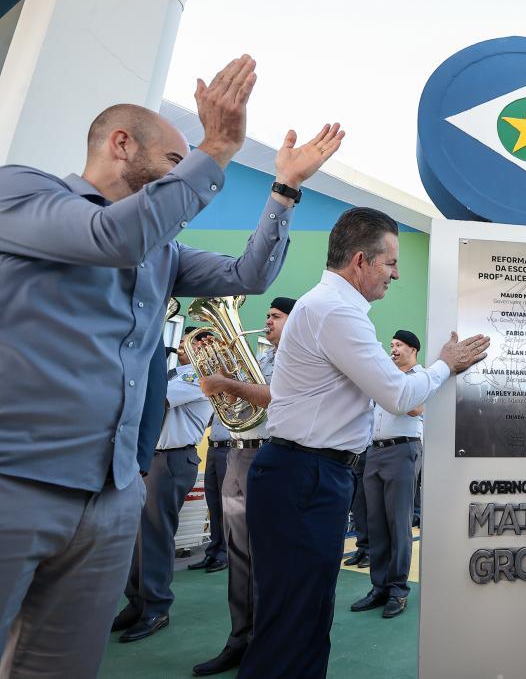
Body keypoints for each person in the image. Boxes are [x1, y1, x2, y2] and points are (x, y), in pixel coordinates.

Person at [0, 53, 343, 676]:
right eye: (174, 162)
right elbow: (111, 237)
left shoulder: (162, 250)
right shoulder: (22, 191)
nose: (186, 177)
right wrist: (216, 148)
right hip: (15, 481)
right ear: (121, 144)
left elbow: (250, 275)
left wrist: (285, 191)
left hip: (110, 496)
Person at [238, 207, 489, 679]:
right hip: (306, 476)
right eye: (390, 262)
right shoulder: (336, 312)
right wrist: (445, 364)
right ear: (360, 261)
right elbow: (398, 394)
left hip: (307, 473)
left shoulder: (329, 307)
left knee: (305, 614)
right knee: (293, 619)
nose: (396, 273)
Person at [191, 296, 295, 676]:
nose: (267, 321)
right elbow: (232, 398)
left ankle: (266, 643)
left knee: (265, 557)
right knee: (238, 554)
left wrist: (226, 381)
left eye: (276, 316)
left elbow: (274, 399)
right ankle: (239, 639)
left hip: (268, 453)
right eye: (266, 315)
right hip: (238, 453)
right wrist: (218, 372)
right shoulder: (263, 357)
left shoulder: (297, 356)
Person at [114, 328, 215, 642]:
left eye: (192, 341)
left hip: (171, 459)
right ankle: (137, 601)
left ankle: (156, 607)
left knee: (155, 535)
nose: (183, 345)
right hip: (152, 457)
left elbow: (157, 399)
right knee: (138, 536)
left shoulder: (198, 376)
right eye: (182, 340)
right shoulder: (174, 373)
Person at [350, 329, 426, 619]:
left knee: (398, 522)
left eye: (399, 345)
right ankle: (379, 586)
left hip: (403, 450)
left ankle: (398, 589)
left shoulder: (419, 377)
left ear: (413, 350)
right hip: (376, 451)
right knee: (376, 522)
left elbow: (415, 408)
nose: (393, 349)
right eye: (391, 345)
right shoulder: (386, 377)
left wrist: (388, 382)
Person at [191, 414, 231, 573]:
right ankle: (212, 551)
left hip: (229, 448)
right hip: (213, 448)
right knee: (213, 503)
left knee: (225, 505)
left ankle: (225, 553)